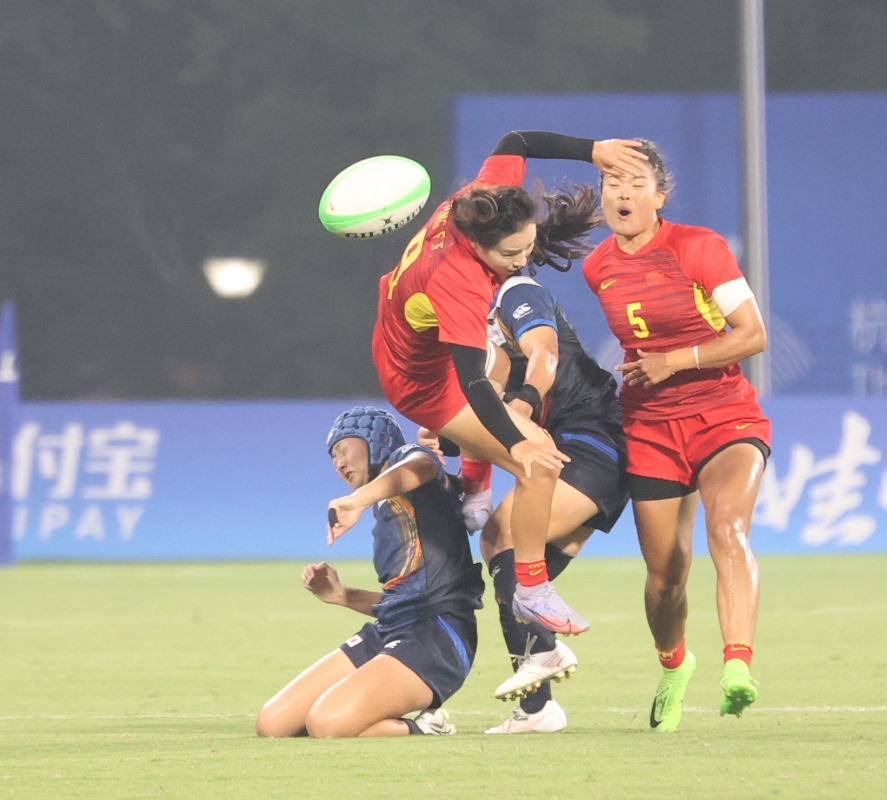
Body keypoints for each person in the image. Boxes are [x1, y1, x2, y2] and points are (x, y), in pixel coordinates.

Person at [372, 130, 647, 637]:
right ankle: (532, 590)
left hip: (413, 344)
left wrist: (594, 152)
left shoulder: (482, 201)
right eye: (509, 255)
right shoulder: (457, 279)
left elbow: (514, 141)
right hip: (421, 381)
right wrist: (519, 443)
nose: (522, 262)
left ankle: (475, 488)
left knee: (507, 380)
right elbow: (472, 384)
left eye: (528, 245)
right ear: (479, 246)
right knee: (539, 461)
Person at [582, 140, 771, 733]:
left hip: (724, 417)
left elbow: (752, 334)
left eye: (636, 184)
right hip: (651, 428)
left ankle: (737, 666)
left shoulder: (699, 247)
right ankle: (673, 666)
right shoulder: (597, 267)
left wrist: (677, 360)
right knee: (665, 578)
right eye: (613, 183)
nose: (622, 194)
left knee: (727, 528)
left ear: (660, 196)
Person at [458, 247, 630, 734]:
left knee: (503, 538)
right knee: (508, 574)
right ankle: (537, 711)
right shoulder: (475, 326)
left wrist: (523, 405)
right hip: (570, 446)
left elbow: (544, 356)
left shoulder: (517, 291)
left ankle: (546, 657)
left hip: (592, 439)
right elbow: (481, 408)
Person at [255, 407, 484, 738]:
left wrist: (357, 500)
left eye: (343, 449)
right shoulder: (385, 505)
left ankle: (425, 727)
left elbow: (421, 466)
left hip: (438, 637)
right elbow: (402, 599)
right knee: (273, 724)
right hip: (391, 631)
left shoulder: (409, 462)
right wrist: (343, 595)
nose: (339, 463)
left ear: (375, 439)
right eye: (333, 457)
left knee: (326, 724)